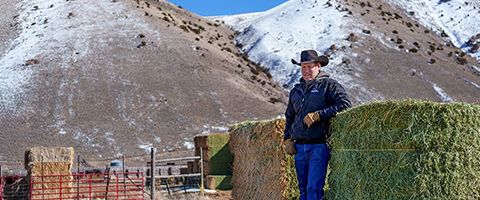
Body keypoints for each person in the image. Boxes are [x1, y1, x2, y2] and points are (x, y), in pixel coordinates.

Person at [283, 49, 352, 200]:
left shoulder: (329, 85)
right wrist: (287, 138)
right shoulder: (296, 91)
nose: (306, 70)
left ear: (318, 66)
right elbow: (289, 116)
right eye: (303, 67)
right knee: (303, 189)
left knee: (313, 188)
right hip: (299, 147)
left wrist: (319, 115)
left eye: (310, 67)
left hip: (319, 145)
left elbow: (345, 105)